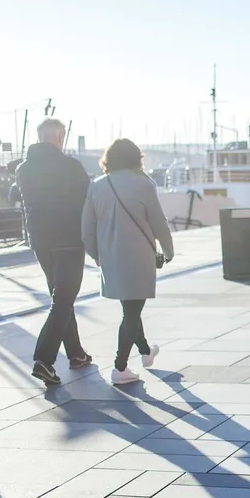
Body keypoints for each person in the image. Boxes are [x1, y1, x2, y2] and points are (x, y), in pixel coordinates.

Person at [82, 139, 174, 385]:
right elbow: (158, 222)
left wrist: (97, 256)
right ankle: (120, 367)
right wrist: (168, 250)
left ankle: (145, 352)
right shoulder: (144, 184)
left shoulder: (96, 186)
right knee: (132, 311)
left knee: (130, 309)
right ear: (136, 158)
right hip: (139, 256)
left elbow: (86, 228)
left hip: (110, 258)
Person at [15, 118, 92, 385]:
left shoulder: (24, 169)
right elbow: (88, 202)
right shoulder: (71, 166)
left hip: (41, 242)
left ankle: (77, 355)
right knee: (63, 299)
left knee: (61, 297)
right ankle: (44, 360)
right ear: (60, 137)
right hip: (69, 240)